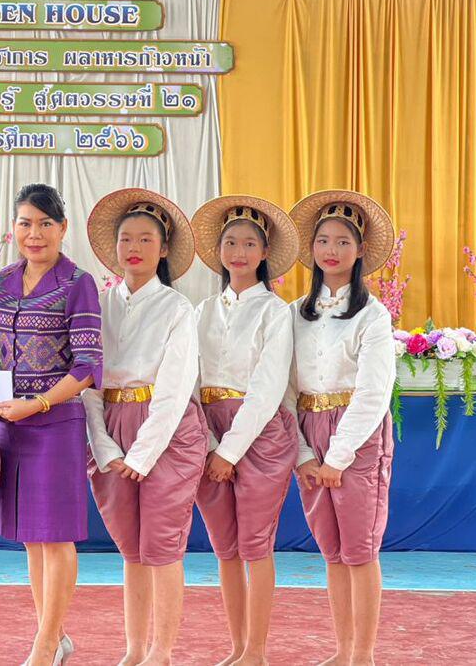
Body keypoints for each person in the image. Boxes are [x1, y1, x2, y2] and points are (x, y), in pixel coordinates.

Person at [84, 188, 209, 666]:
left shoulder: (177, 309)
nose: (133, 247)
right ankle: (134, 648)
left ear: (163, 249)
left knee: (161, 545)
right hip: (111, 427)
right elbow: (87, 381)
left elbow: (175, 390)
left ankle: (162, 651)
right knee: (131, 548)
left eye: (145, 239)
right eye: (126, 239)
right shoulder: (98, 305)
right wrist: (104, 446)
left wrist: (142, 454)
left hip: (167, 433)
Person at [0, 183, 103, 666]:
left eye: (45, 224)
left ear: (63, 228)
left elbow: (87, 366)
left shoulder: (77, 283)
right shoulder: (0, 282)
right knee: (32, 536)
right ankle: (53, 634)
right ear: (13, 227)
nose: (35, 234)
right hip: (10, 424)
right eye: (26, 223)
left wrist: (37, 405)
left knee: (57, 536)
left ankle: (45, 644)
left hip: (56, 423)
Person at [190, 196, 301, 666]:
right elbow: (189, 380)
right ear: (218, 250)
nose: (239, 252)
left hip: (260, 435)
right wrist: (210, 444)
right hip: (208, 431)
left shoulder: (275, 312)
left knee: (255, 544)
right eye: (231, 242)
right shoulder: (201, 310)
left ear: (264, 253)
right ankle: (236, 648)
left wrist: (229, 452)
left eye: (250, 244)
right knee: (225, 548)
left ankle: (256, 651)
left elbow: (268, 388)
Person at [288, 190, 396, 666]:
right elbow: (285, 387)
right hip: (308, 429)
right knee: (331, 550)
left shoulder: (373, 315)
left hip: (356, 433)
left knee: (359, 549)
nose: (331, 250)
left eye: (343, 241)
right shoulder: (295, 313)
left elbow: (374, 392)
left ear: (360, 250)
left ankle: (363, 655)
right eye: (323, 240)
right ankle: (342, 650)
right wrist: (303, 453)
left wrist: (338, 456)